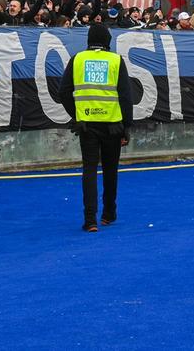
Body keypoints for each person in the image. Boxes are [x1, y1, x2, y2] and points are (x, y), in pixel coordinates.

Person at [58, 22, 133, 232]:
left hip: (87, 125)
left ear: (89, 40)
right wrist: (127, 126)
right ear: (108, 41)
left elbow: (63, 92)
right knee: (111, 170)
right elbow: (126, 97)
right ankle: (109, 214)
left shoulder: (78, 59)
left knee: (89, 170)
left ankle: (90, 220)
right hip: (113, 125)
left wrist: (77, 115)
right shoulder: (116, 60)